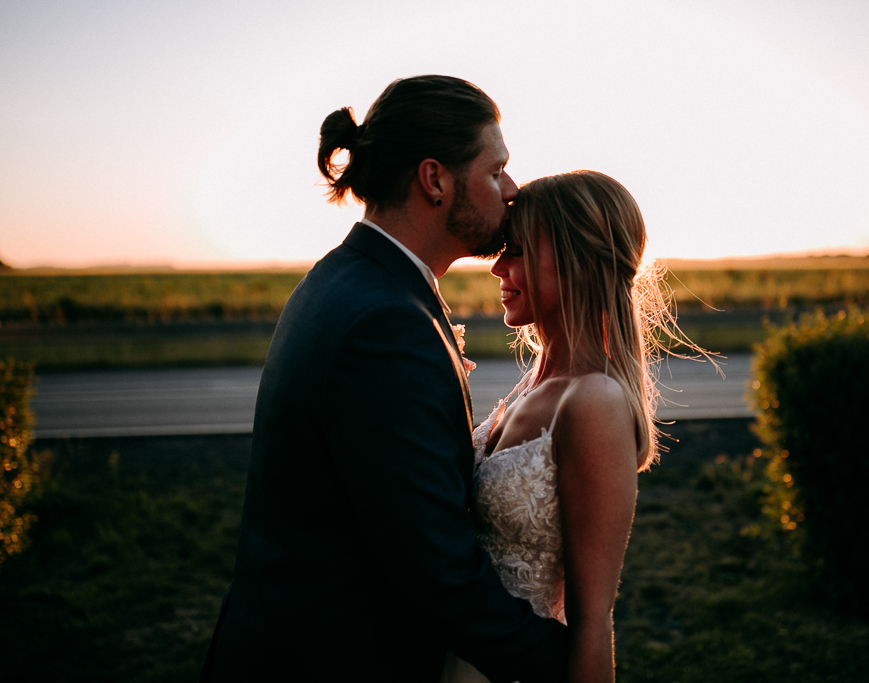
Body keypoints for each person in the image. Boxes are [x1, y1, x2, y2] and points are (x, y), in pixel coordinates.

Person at [201, 76, 569, 682]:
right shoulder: (386, 323)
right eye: (496, 168)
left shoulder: (346, 280)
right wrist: (566, 663)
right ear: (434, 179)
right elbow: (435, 571)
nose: (511, 188)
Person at [443, 170, 684, 682]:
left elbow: (592, 621)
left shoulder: (593, 400)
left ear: (580, 261)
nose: (499, 267)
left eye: (519, 250)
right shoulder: (533, 378)